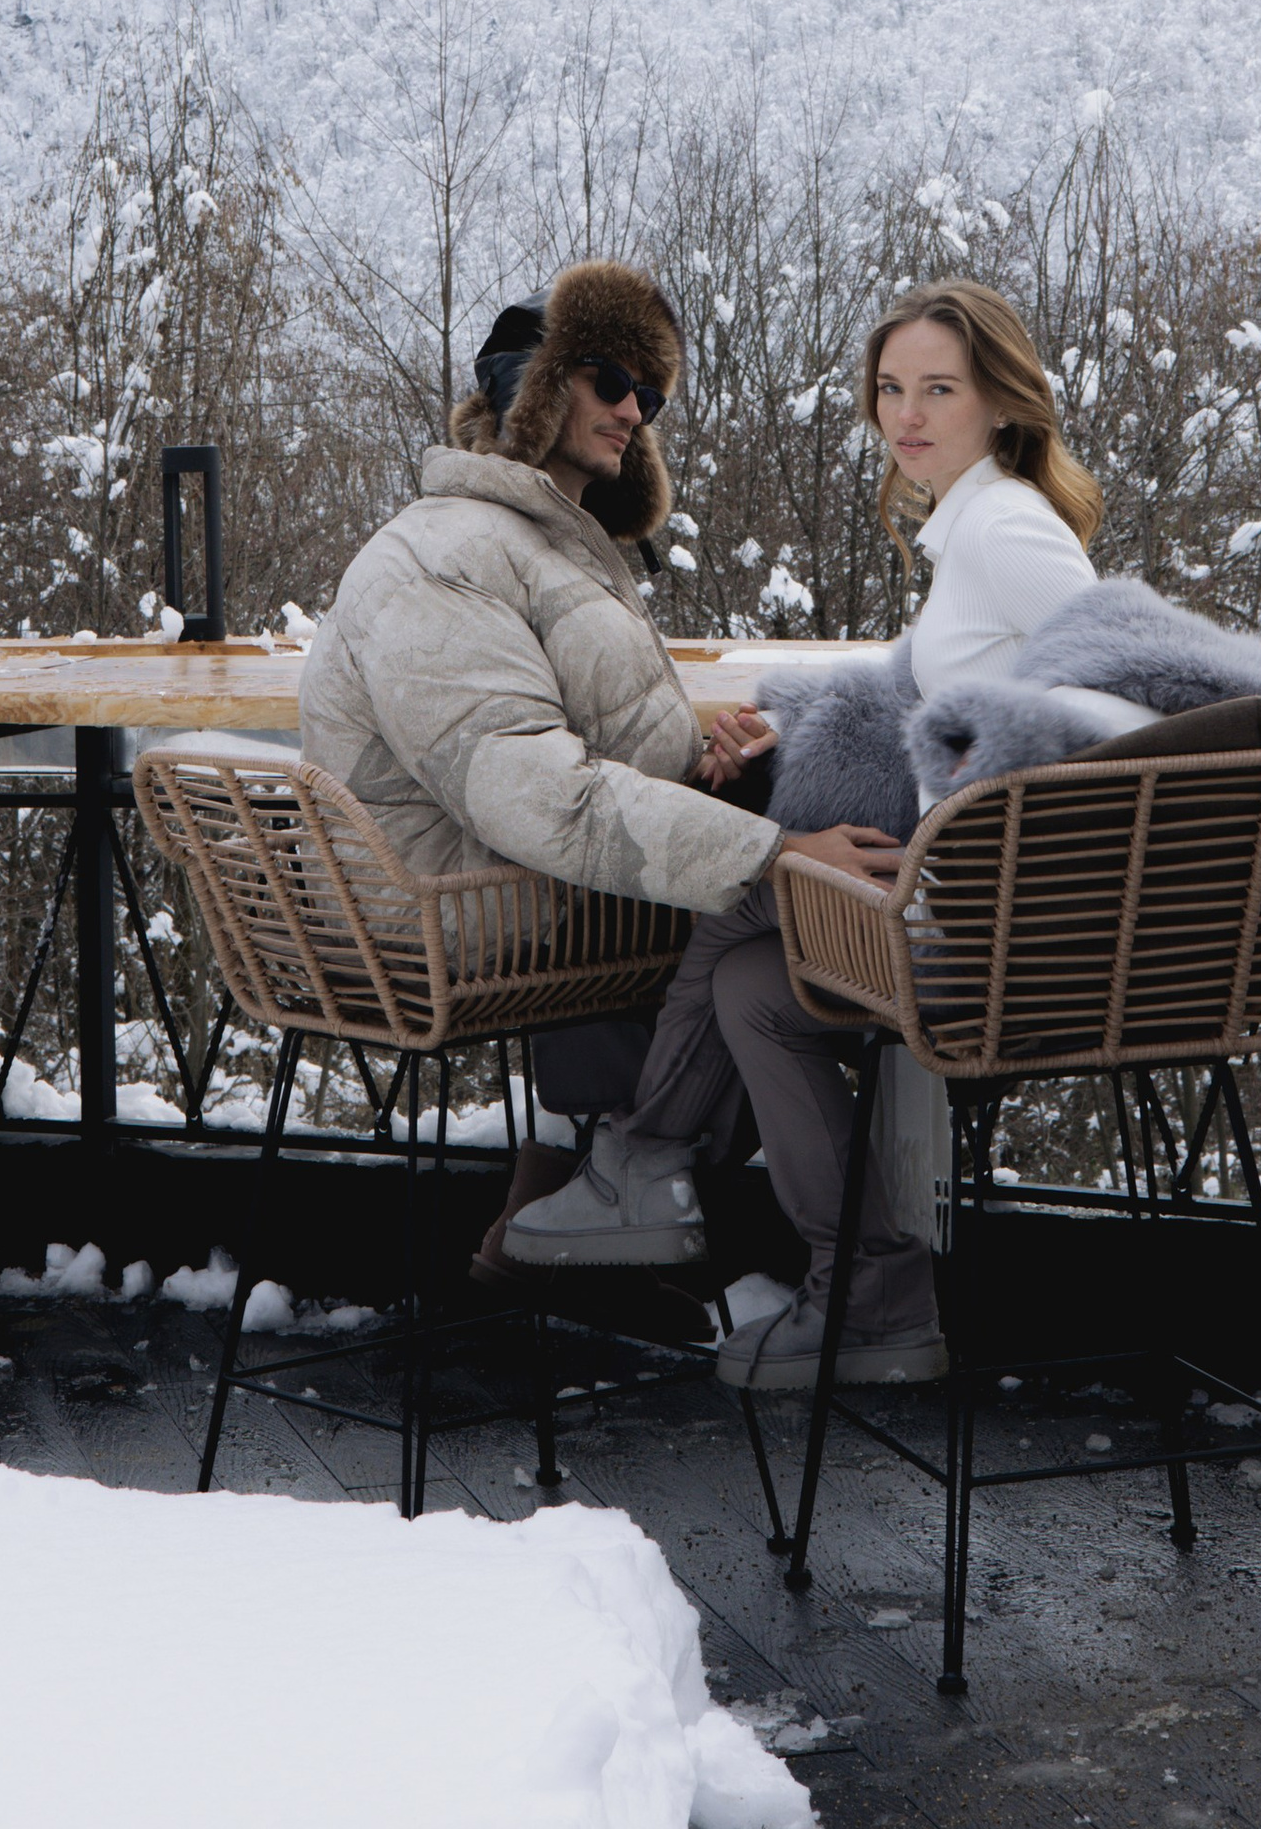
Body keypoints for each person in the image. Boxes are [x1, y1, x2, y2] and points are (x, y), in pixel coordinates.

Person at [507, 278, 1105, 1392]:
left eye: (939, 389)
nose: (906, 415)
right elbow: (936, 683)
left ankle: (639, 1160)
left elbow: (1110, 701)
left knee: (749, 882)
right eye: (890, 389)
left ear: (1003, 404)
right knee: (751, 983)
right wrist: (794, 716)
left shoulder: (1007, 530)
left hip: (996, 922)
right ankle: (871, 1292)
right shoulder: (974, 524)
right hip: (962, 894)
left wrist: (966, 815)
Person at [295, 260, 900, 1263]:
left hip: (505, 871)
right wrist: (777, 852)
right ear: (536, 386)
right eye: (612, 383)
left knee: (808, 838)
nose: (633, 414)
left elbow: (568, 741)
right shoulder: (451, 554)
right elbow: (533, 794)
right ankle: (674, 1198)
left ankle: (601, 1177)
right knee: (803, 910)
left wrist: (705, 757)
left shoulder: (540, 543)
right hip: (455, 908)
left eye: (650, 396)